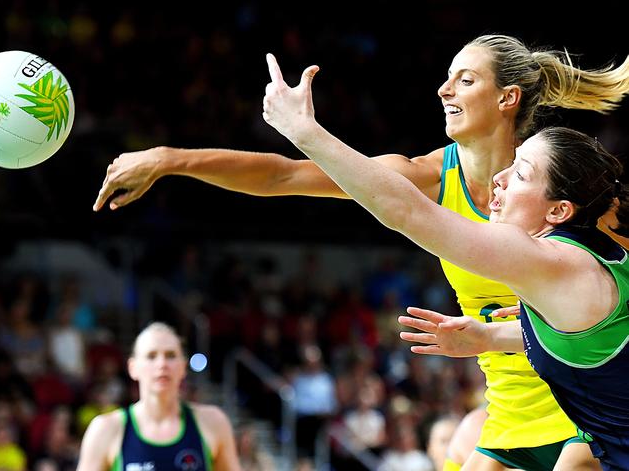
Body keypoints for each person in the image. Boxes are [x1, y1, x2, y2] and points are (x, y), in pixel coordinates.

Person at [93, 34, 629, 470]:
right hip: (508, 413)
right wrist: (169, 159)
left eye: (465, 79)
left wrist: (548, 318)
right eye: (446, 77)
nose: (444, 89)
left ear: (507, 98)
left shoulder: (565, 186)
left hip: (587, 412)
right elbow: (284, 176)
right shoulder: (424, 177)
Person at [260, 50, 629, 468]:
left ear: (559, 210)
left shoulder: (543, 260)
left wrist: (304, 131)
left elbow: (405, 210)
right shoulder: (595, 264)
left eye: (522, 173)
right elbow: (595, 339)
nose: (502, 177)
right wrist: (492, 337)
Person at [76, 322, 241, 471]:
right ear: (133, 368)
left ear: (183, 367)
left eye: (170, 355)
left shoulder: (213, 422)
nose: (162, 364)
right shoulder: (106, 429)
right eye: (151, 356)